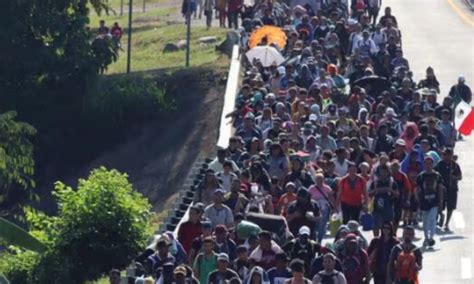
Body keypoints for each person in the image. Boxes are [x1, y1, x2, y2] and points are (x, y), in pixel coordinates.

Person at [417, 157, 444, 247]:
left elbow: (440, 188)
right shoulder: (421, 176)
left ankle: (431, 237)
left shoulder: (437, 175)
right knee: (425, 221)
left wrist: (440, 200)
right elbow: (418, 189)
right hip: (424, 201)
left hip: (434, 201)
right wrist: (418, 200)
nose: (428, 165)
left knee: (432, 219)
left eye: (430, 163)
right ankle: (426, 237)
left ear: (432, 164)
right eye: (426, 163)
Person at [434, 147, 462, 231]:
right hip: (441, 188)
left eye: (450, 155)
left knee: (451, 207)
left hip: (452, 188)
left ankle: (447, 224)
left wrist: (453, 177)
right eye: (446, 155)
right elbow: (434, 174)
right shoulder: (440, 164)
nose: (448, 157)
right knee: (439, 205)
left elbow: (460, 176)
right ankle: (441, 215)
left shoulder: (455, 165)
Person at [368, 164, 399, 237]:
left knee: (388, 225)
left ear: (388, 172)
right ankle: (376, 239)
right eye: (382, 172)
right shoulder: (375, 182)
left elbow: (397, 194)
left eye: (385, 172)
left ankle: (389, 238)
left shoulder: (392, 182)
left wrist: (390, 190)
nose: (383, 174)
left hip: (388, 207)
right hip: (376, 207)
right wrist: (376, 190)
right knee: (376, 225)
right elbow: (369, 193)